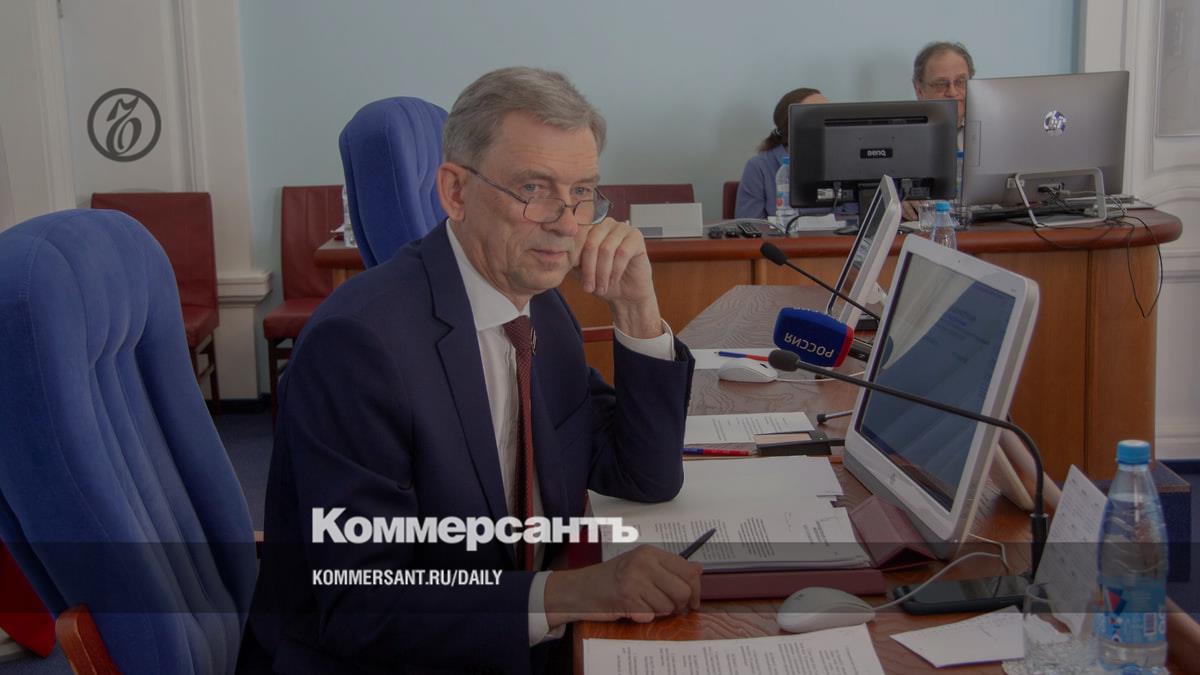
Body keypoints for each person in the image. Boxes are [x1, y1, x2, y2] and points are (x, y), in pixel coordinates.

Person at [242, 67, 701, 674]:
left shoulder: (543, 309)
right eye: (534, 188)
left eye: (582, 191)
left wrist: (638, 311)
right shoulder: (357, 347)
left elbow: (642, 475)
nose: (567, 222)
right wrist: (572, 593)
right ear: (455, 192)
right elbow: (362, 606)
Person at [904, 41, 975, 221]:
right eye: (941, 84)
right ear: (919, 90)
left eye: (960, 82)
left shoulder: (993, 134)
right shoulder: (899, 139)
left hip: (985, 227)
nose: (953, 92)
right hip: (924, 228)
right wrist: (896, 201)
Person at [734, 87, 828, 219]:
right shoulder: (759, 167)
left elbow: (852, 219)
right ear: (789, 126)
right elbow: (750, 226)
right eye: (817, 116)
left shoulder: (842, 164)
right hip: (781, 233)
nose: (827, 123)